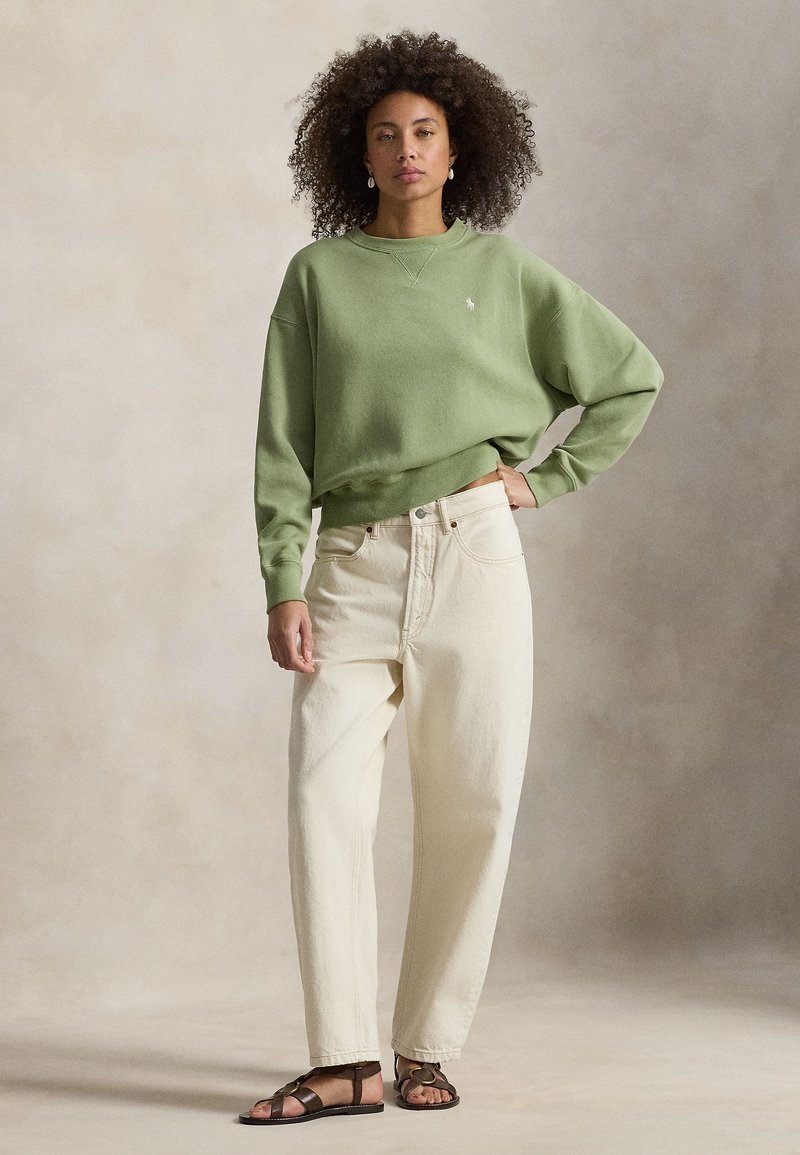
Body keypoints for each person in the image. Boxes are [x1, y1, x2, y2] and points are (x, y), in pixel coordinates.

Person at [239, 29, 664, 1126]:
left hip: (472, 552)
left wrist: (543, 479)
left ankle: (425, 1045)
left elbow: (629, 377)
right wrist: (283, 577)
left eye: (424, 131)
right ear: (357, 154)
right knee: (322, 799)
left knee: (474, 803)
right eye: (385, 135)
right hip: (349, 563)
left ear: (459, 145)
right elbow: (283, 442)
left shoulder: (503, 273)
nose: (407, 150)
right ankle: (344, 1060)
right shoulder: (319, 276)